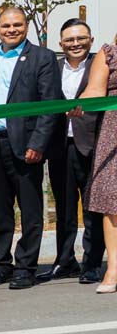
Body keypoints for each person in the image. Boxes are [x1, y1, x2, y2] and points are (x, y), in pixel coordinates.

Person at [0, 7, 63, 290]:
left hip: (26, 146)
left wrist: (38, 143)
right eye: (6, 25)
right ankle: (1, 264)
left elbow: (50, 104)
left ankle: (26, 267)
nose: (11, 30)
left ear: (26, 27)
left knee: (30, 210)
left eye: (17, 25)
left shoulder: (42, 57)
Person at [45, 18, 103, 283]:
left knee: (92, 209)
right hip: (60, 145)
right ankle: (65, 260)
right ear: (61, 43)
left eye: (81, 38)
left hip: (93, 145)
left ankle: (91, 264)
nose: (75, 44)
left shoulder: (100, 65)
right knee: (65, 208)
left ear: (91, 40)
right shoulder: (53, 68)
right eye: (69, 40)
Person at [75, 35, 117, 293]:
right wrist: (78, 103)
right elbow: (95, 90)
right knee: (113, 200)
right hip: (114, 133)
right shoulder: (109, 52)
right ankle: (113, 269)